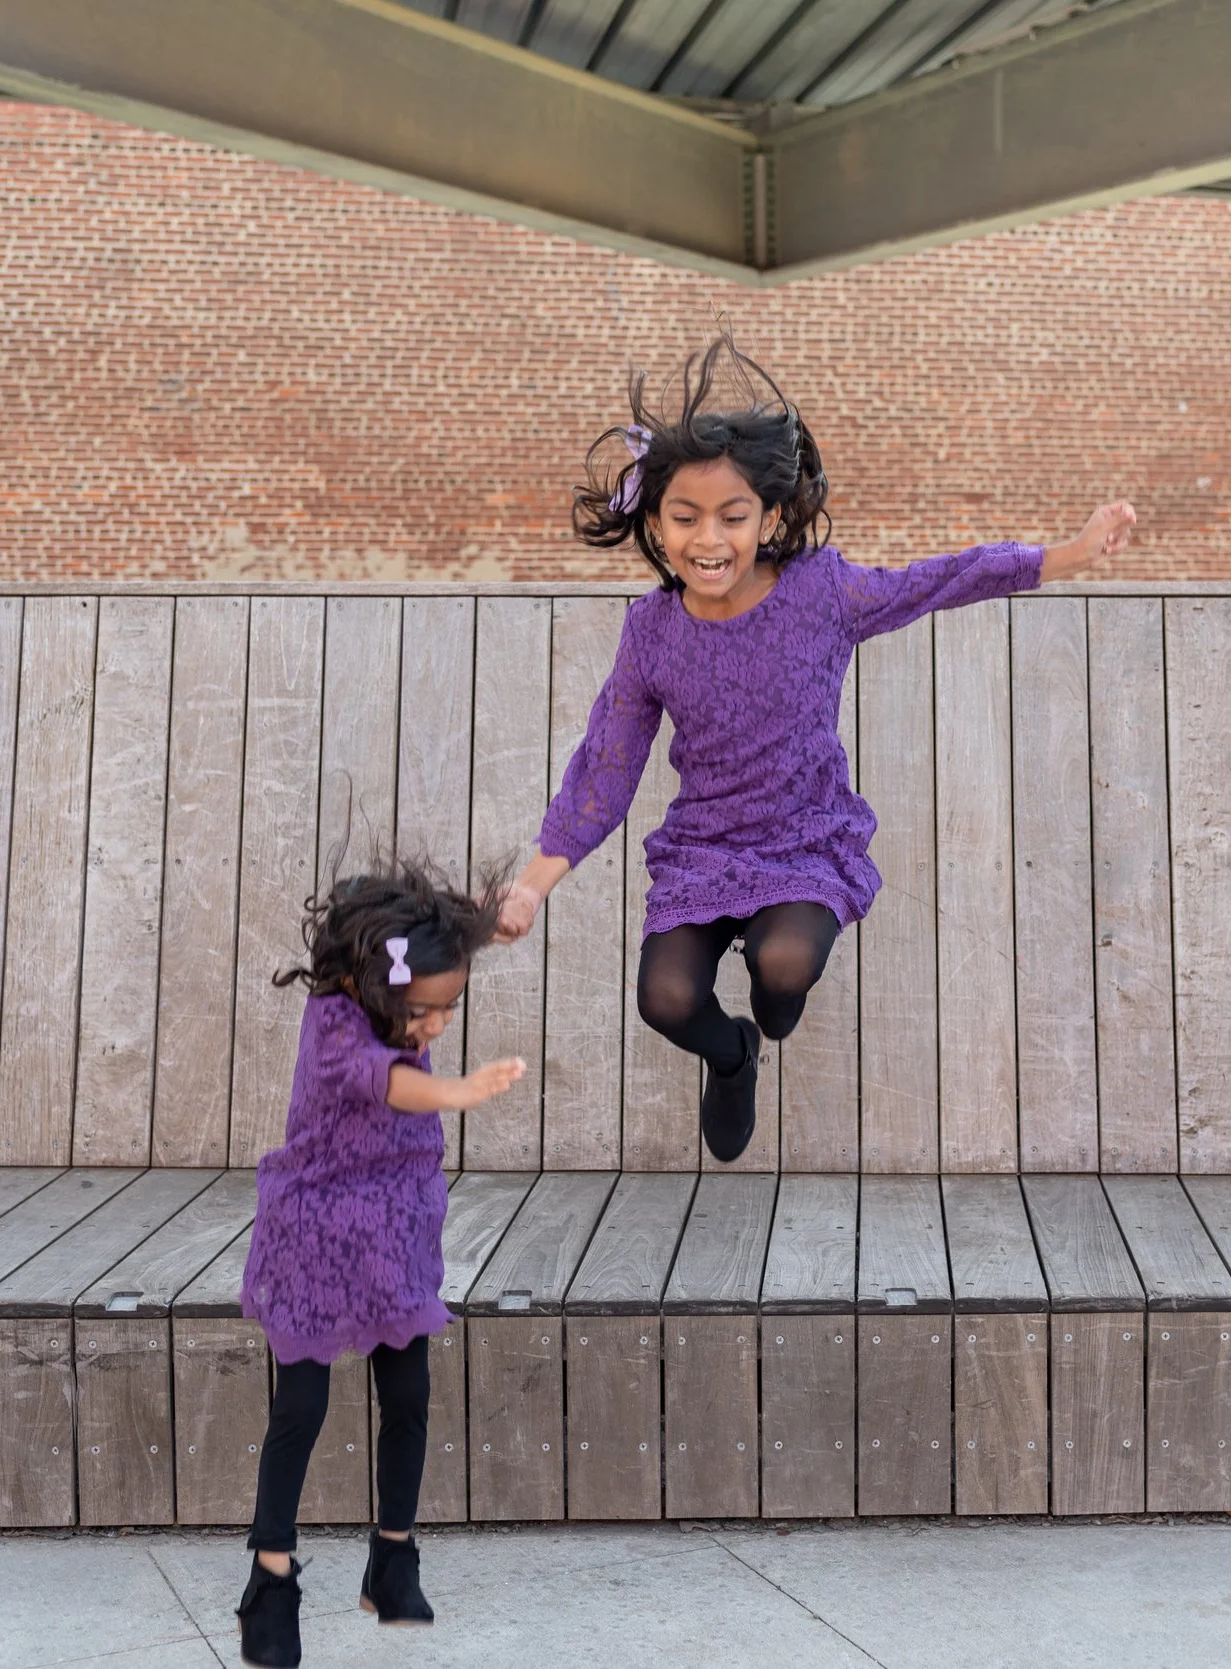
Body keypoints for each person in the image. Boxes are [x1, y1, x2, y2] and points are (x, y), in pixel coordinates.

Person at [497, 335, 1134, 1162]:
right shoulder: (651, 631)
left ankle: (772, 1003)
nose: (709, 539)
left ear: (768, 518)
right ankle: (734, 1057)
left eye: (732, 517)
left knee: (785, 965)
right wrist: (532, 885)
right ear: (655, 523)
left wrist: (1067, 554)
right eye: (685, 518)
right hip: (705, 846)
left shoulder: (821, 592)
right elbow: (606, 768)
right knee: (666, 998)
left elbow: (938, 580)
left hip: (804, 837)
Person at [234, 862, 524, 1666]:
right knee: (301, 1406)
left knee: (408, 1394)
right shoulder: (335, 1025)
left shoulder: (399, 993)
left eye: (448, 1009)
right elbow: (385, 1081)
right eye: (422, 1011)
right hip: (317, 1231)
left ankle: (393, 1561)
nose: (435, 1026)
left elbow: (428, 973)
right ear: (371, 982)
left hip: (395, 1227)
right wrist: (459, 1091)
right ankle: (270, 1577)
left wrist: (476, 925)